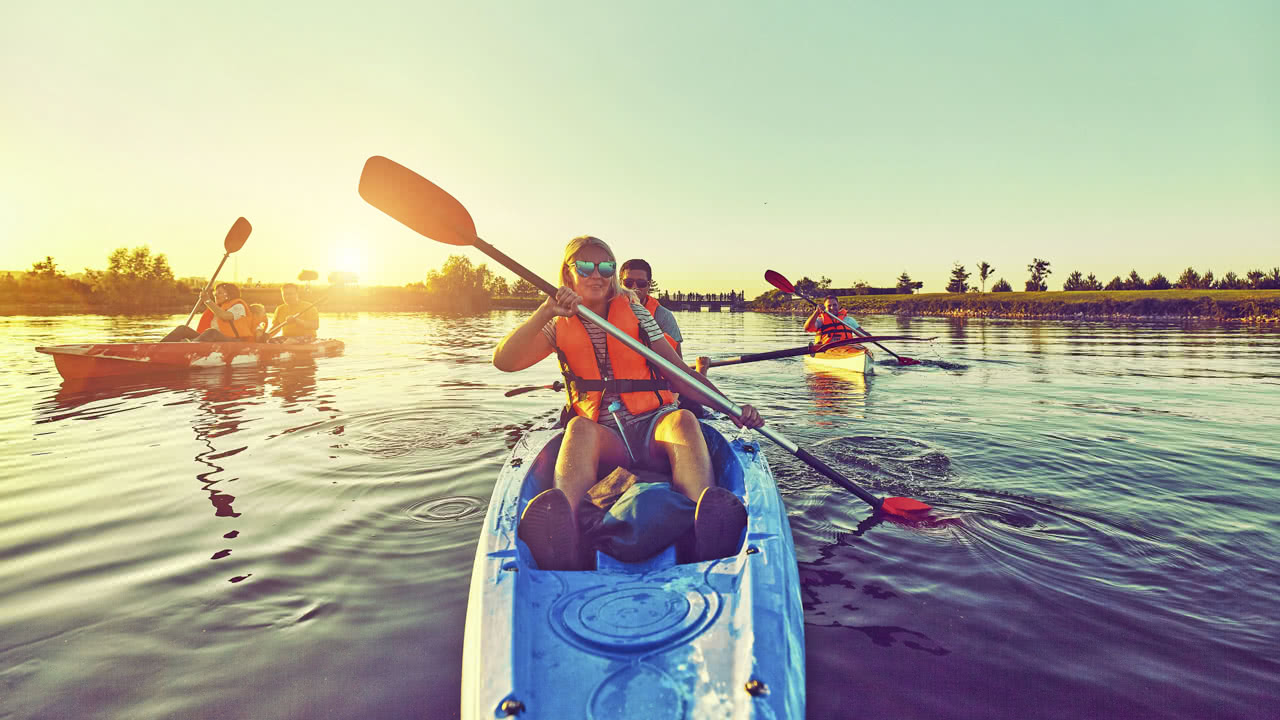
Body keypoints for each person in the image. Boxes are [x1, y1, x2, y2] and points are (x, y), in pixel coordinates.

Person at [493, 235, 763, 571]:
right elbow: (504, 361)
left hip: (654, 430)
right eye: (585, 266)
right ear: (568, 272)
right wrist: (545, 310)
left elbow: (680, 373)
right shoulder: (555, 322)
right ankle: (566, 536)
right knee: (578, 428)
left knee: (683, 420)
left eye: (606, 266)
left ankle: (703, 524)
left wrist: (731, 409)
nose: (597, 274)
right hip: (609, 442)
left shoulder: (636, 311)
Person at [620, 258, 682, 356]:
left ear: (649, 285)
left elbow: (677, 359)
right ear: (620, 283)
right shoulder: (605, 311)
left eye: (641, 283)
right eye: (628, 282)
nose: (634, 287)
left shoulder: (664, 316)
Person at [162, 283, 254, 342]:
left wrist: (207, 300)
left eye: (219, 292)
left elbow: (224, 316)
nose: (215, 295)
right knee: (183, 329)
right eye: (215, 293)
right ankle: (158, 347)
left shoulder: (238, 306)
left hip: (235, 341)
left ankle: (189, 346)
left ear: (230, 295)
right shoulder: (217, 308)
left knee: (211, 332)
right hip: (213, 340)